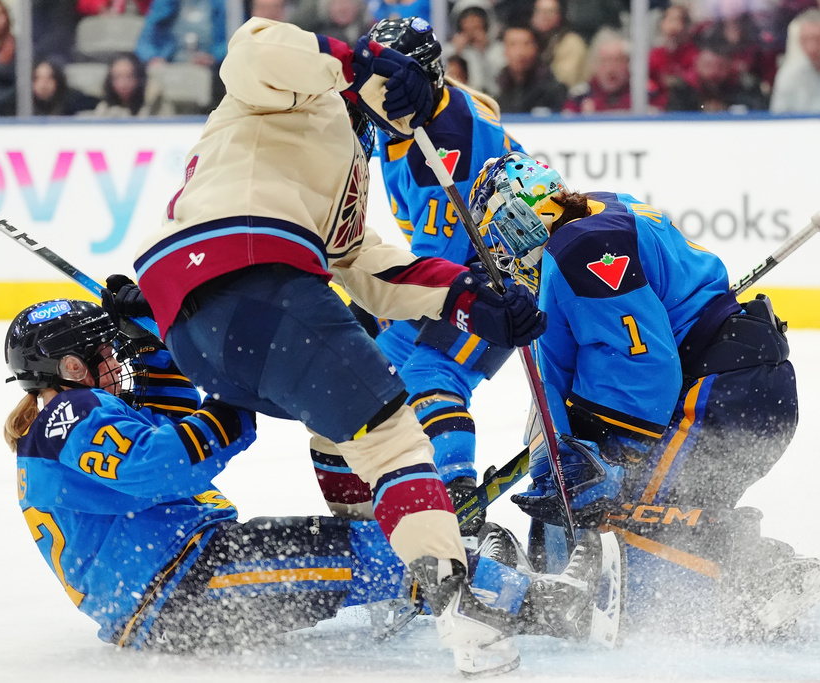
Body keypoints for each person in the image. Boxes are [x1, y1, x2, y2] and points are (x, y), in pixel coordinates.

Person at [128, 16, 546, 677]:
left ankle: (384, 552)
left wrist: (467, 298)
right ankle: (461, 612)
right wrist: (359, 59)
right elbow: (250, 48)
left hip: (198, 328)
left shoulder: (351, 157)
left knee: (341, 428)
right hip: (260, 284)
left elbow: (359, 261)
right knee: (393, 436)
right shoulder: (302, 87)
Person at [5, 295, 606, 655]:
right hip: (186, 590)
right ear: (70, 367)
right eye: (106, 354)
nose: (117, 363)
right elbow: (161, 463)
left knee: (370, 543)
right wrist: (231, 394)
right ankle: (557, 609)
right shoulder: (67, 415)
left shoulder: (65, 416)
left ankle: (446, 574)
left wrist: (157, 332)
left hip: (180, 590)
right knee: (392, 557)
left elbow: (160, 416)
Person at [467, 151, 820, 640]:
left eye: (498, 233)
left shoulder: (584, 247)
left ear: (523, 214)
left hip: (722, 392)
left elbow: (647, 368)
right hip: (740, 383)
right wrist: (564, 447)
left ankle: (768, 577)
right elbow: (580, 366)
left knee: (632, 516)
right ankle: (757, 585)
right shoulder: (593, 215)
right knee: (655, 508)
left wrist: (599, 444)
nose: (498, 254)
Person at [340, 16, 526, 541]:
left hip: (498, 278)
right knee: (370, 370)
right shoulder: (414, 111)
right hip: (466, 265)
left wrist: (372, 300)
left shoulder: (439, 154)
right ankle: (401, 489)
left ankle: (457, 498)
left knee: (429, 373)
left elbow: (435, 280)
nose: (370, 100)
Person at [493, 22, 567, 113]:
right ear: (504, 50)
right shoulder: (496, 88)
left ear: (536, 48)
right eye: (513, 44)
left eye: (526, 44)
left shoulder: (552, 89)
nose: (520, 52)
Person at [88, 52, 174, 117]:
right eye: (117, 77)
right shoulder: (104, 109)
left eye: (129, 76)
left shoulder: (158, 107)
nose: (122, 84)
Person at [31, 58, 98, 115]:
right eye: (38, 78)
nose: (43, 84)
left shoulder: (73, 100)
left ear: (58, 80)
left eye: (49, 78)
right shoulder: (24, 105)